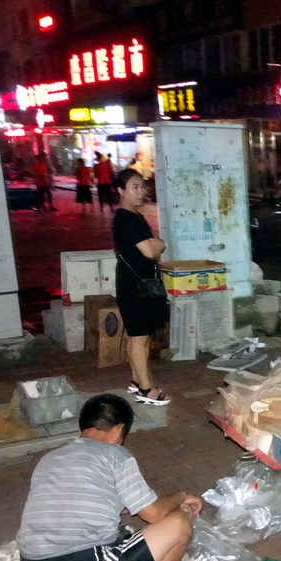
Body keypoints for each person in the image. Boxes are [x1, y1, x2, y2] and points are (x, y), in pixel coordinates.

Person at [16, 394, 201, 561]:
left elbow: (77, 502)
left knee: (120, 533)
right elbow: (154, 514)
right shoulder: (115, 454)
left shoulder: (49, 459)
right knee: (179, 525)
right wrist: (181, 496)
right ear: (119, 430)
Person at [113, 168, 171, 405]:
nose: (140, 192)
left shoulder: (133, 217)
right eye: (134, 187)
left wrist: (155, 244)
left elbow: (151, 247)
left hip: (136, 282)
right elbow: (150, 250)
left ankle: (137, 381)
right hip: (134, 285)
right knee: (138, 338)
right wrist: (160, 243)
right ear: (121, 191)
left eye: (142, 186)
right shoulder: (127, 218)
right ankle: (147, 390)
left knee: (139, 336)